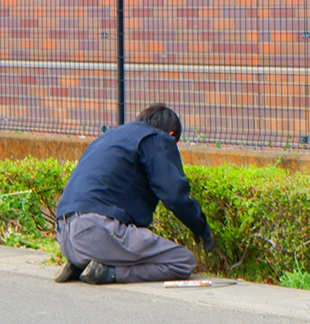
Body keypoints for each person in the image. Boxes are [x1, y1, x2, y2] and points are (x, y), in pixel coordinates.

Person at [54, 103, 214, 284]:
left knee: (120, 239)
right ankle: (109, 273)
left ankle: (80, 265)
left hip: (64, 235)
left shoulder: (109, 137)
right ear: (170, 135)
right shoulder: (156, 138)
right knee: (182, 261)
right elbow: (174, 195)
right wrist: (200, 226)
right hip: (96, 231)